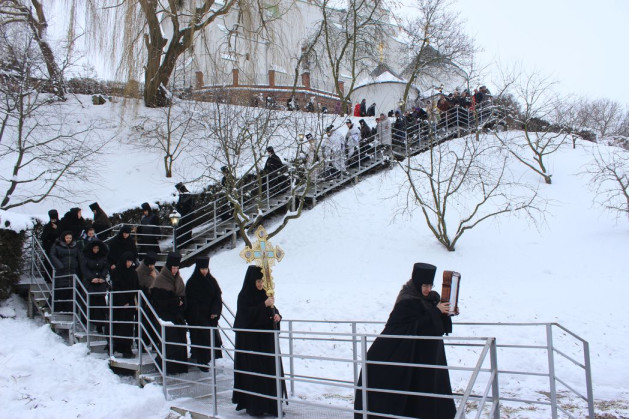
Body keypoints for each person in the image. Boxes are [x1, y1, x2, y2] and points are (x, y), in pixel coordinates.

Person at [354, 262, 456, 418]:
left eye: (430, 285)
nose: (428, 289)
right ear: (417, 283)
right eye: (424, 285)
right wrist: (436, 311)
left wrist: (446, 312)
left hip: (426, 357)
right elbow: (409, 327)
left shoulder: (432, 299)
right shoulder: (407, 301)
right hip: (403, 354)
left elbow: (437, 327)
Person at [232, 265, 286, 417]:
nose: (261, 284)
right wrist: (264, 305)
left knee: (270, 373)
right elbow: (245, 317)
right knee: (256, 376)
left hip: (266, 343)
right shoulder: (244, 296)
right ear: (251, 281)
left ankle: (272, 405)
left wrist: (277, 315)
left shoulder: (264, 294)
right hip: (252, 344)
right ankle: (256, 407)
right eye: (258, 281)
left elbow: (272, 310)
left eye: (262, 281)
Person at [150, 252, 188, 374]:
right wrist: (176, 301)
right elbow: (159, 301)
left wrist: (181, 303)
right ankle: (167, 366)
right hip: (165, 316)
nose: (175, 270)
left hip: (177, 316)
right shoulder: (160, 280)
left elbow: (183, 295)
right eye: (173, 268)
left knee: (180, 340)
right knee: (170, 341)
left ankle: (179, 366)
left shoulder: (178, 280)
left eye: (177, 268)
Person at [185, 256, 223, 371]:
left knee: (208, 339)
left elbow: (217, 297)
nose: (204, 271)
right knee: (201, 338)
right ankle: (201, 361)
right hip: (197, 317)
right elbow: (190, 300)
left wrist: (215, 311)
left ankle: (204, 359)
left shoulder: (212, 280)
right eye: (202, 269)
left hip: (210, 316)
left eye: (206, 269)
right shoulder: (192, 282)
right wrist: (197, 314)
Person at [110, 251, 139, 358]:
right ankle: (118, 347)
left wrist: (131, 301)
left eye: (131, 261)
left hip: (130, 302)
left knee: (128, 326)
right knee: (119, 326)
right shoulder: (117, 272)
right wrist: (123, 301)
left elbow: (136, 286)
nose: (129, 263)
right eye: (128, 261)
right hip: (119, 304)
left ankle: (127, 348)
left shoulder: (133, 272)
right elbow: (116, 287)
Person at [79, 240, 109, 333]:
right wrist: (92, 278)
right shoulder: (86, 257)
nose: (96, 250)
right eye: (94, 248)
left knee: (100, 305)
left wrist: (102, 277)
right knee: (89, 303)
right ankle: (87, 322)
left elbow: (105, 267)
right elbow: (84, 268)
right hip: (89, 283)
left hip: (100, 284)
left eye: (97, 248)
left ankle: (100, 325)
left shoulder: (102, 257)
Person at [49, 231, 81, 312]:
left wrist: (77, 265)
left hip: (72, 270)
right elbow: (52, 255)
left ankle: (70, 309)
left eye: (70, 238)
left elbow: (79, 257)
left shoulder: (75, 246)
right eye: (67, 238)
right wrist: (60, 265)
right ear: (64, 238)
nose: (68, 239)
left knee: (72, 289)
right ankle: (58, 308)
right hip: (62, 271)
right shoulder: (57, 245)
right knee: (61, 288)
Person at [136, 251, 158, 351]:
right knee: (143, 322)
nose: (152, 266)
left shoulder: (154, 271)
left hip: (153, 300)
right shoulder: (140, 272)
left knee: (154, 323)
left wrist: (155, 277)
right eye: (150, 265)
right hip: (143, 301)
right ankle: (141, 344)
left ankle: (155, 342)